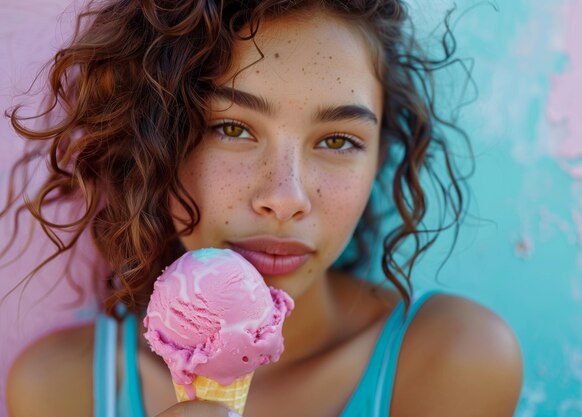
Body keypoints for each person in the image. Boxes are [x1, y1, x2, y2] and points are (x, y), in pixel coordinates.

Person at [3, 0, 523, 416]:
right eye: (232, 129)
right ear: (154, 140)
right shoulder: (61, 393)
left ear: (379, 158)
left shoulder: (452, 362)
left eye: (339, 140)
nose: (286, 198)